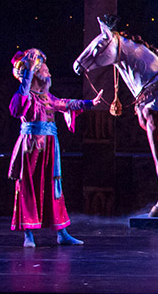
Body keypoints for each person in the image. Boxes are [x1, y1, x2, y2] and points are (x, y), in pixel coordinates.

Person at [8, 48, 103, 247]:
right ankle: (28, 234)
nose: (49, 74)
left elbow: (64, 104)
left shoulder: (47, 97)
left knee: (53, 187)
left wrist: (89, 103)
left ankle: (62, 232)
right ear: (34, 74)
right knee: (28, 187)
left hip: (50, 146)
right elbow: (17, 109)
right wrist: (28, 72)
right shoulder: (26, 96)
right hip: (31, 147)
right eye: (45, 70)